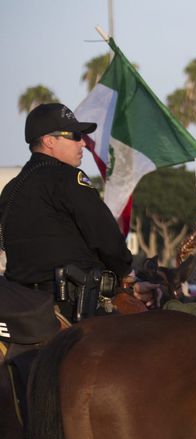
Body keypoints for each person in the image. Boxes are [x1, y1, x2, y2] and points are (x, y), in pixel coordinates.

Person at [0, 102, 132, 320]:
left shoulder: (12, 188)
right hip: (72, 308)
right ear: (49, 141)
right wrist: (126, 271)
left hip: (23, 310)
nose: (82, 143)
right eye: (74, 135)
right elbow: (104, 234)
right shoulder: (68, 178)